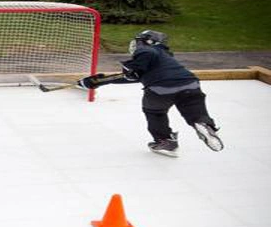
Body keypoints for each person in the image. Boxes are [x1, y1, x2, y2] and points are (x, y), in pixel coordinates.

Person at [78, 30, 224, 157]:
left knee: (155, 112)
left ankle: (166, 141)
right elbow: (134, 77)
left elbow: (135, 72)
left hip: (161, 88)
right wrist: (98, 81)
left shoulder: (146, 51)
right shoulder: (166, 57)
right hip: (190, 84)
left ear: (148, 42)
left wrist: (98, 81)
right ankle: (205, 124)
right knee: (195, 111)